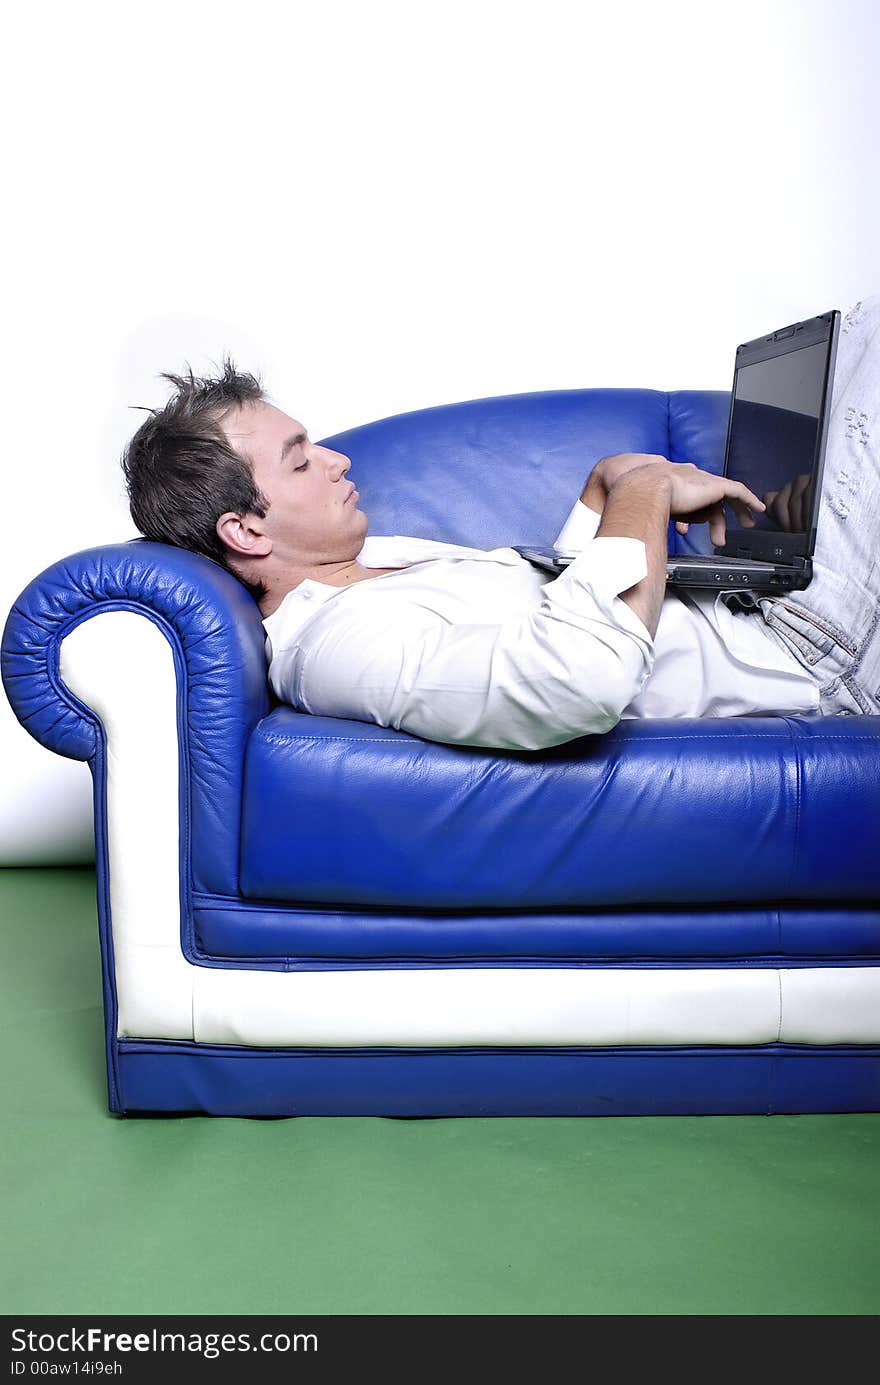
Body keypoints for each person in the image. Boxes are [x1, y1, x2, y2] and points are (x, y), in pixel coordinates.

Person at [121, 297, 880, 752]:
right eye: (298, 463)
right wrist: (644, 495)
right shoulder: (339, 646)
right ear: (246, 532)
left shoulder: (369, 566)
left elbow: (549, 616)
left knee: (855, 330)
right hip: (809, 657)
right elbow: (576, 681)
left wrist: (602, 489)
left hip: (775, 608)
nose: (336, 461)